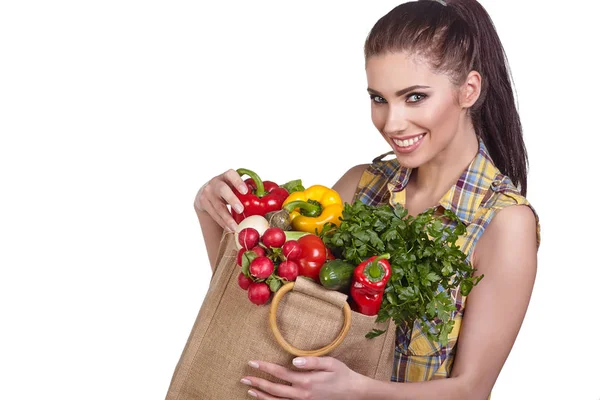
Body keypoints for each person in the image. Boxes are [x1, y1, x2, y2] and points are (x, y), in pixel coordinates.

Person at [193, 0, 540, 398]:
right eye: (379, 99)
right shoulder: (359, 185)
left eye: (414, 97)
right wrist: (212, 210)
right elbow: (269, 310)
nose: (391, 123)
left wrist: (357, 391)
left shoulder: (503, 221)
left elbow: (471, 390)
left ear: (469, 90)